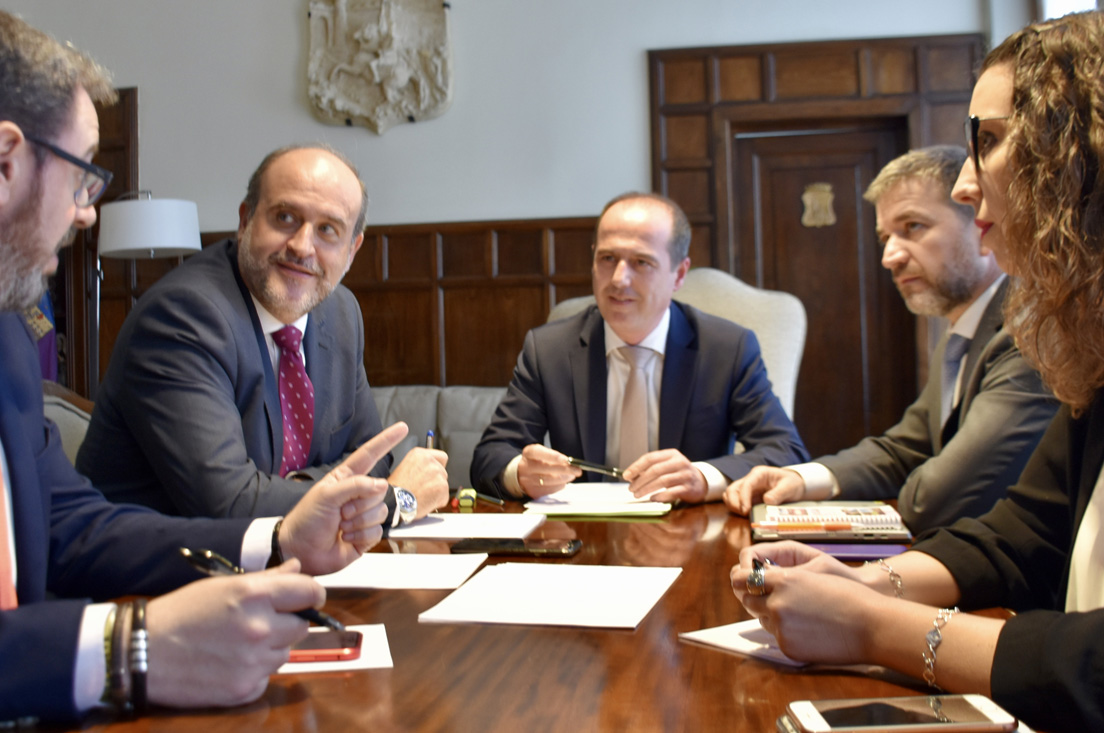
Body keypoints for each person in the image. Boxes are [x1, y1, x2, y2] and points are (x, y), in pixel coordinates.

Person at [0, 6, 400, 727]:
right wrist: (121, 648)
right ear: (3, 162)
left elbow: (66, 526)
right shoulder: (181, 310)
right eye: (82, 178)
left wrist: (278, 538)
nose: (86, 214)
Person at [730, 12, 1104, 731]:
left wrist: (873, 624)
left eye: (987, 142)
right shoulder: (1088, 346)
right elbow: (1020, 532)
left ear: (1081, 154)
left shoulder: (1037, 337)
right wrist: (864, 580)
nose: (965, 184)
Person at [76, 145, 449, 525]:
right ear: (246, 221)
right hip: (162, 561)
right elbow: (231, 505)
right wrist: (397, 499)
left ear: (352, 250)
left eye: (328, 230)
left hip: (290, 556)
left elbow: (372, 456)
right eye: (285, 217)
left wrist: (289, 489)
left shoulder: (340, 313)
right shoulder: (182, 316)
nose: (302, 246)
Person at [724, 146, 1056, 533]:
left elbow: (936, 500)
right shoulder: (962, 334)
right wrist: (801, 478)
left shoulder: (1030, 333)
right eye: (885, 237)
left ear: (980, 225)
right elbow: (905, 450)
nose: (890, 256)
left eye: (912, 227)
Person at [471, 192, 808, 502]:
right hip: (582, 533)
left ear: (679, 274)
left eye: (641, 262)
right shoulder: (549, 350)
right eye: (607, 258)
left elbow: (786, 450)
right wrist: (520, 474)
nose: (619, 279)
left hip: (690, 530)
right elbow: (491, 455)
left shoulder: (726, 349)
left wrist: (702, 477)